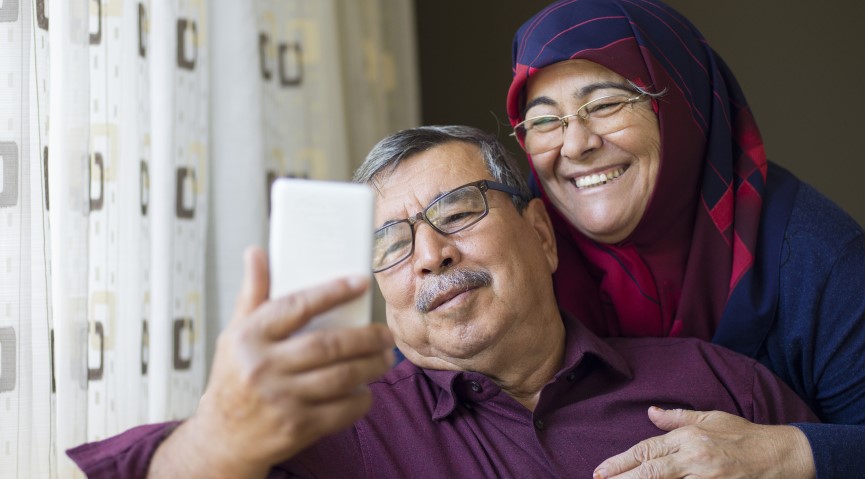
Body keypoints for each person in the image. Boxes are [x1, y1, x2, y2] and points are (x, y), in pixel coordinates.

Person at [67, 126, 817, 478]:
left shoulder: (715, 386)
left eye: (458, 210)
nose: (430, 253)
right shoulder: (337, 430)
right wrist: (218, 436)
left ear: (541, 235)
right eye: (391, 242)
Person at [505, 0, 865, 478]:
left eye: (605, 103)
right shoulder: (521, 256)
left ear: (682, 102)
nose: (576, 144)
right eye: (543, 121)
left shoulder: (813, 255)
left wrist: (784, 453)